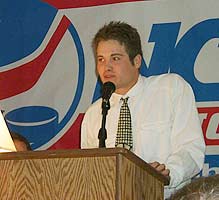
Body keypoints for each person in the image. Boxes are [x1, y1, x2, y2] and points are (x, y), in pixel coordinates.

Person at [81, 21, 206, 198]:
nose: (106, 67)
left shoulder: (170, 89)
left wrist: (168, 172)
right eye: (101, 59)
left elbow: (191, 149)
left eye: (115, 58)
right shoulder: (94, 113)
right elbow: (89, 171)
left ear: (137, 60)